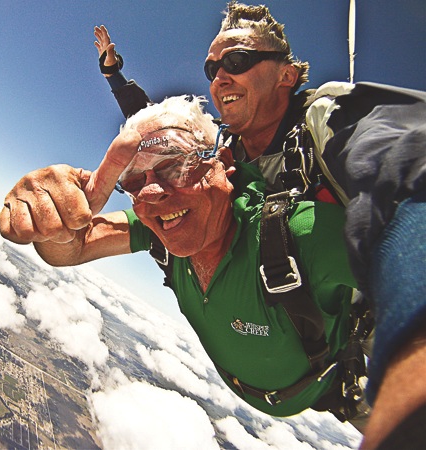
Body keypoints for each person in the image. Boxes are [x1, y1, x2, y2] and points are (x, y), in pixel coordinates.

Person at [93, 3, 426, 448]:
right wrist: (116, 76)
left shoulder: (327, 120)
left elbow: (406, 172)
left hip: (371, 332)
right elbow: (165, 132)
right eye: (212, 68)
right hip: (299, 340)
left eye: (237, 61)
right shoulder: (225, 147)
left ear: (286, 74)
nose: (218, 78)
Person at [0, 94, 369, 422]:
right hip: (259, 386)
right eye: (133, 183)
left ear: (223, 161)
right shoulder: (159, 232)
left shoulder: (300, 234)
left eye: (176, 165)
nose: (152, 194)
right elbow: (72, 248)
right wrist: (57, 223)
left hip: (338, 392)